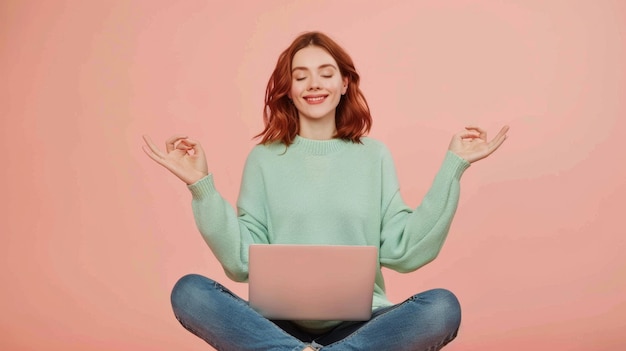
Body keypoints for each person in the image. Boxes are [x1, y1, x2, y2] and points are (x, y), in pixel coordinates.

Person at [143, 31, 509, 351]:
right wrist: (200, 186)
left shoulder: (374, 156)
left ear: (345, 83)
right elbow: (240, 263)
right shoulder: (264, 160)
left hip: (364, 327)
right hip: (273, 325)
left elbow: (405, 251)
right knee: (189, 291)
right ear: (289, 89)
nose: (314, 84)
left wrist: (454, 167)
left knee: (443, 307)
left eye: (326, 73)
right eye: (300, 77)